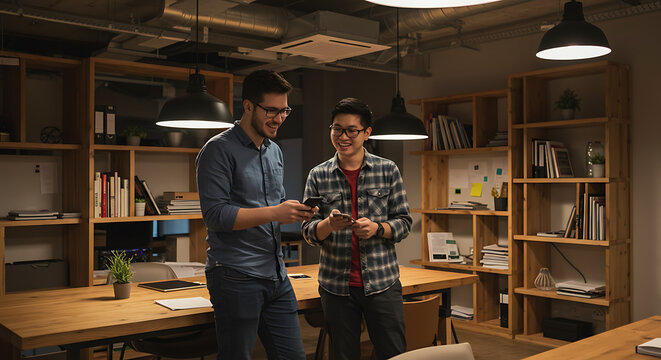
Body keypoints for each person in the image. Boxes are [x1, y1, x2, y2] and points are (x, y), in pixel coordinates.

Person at [196, 70, 313, 360]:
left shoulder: (274, 151)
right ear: (248, 106)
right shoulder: (218, 150)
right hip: (235, 275)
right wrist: (276, 212)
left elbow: (273, 202)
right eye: (271, 111)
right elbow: (216, 216)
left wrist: (295, 210)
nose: (279, 118)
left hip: (276, 274)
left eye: (284, 110)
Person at [301, 97, 413, 360]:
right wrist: (328, 224)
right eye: (337, 129)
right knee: (342, 355)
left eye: (352, 130)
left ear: (366, 133)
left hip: (382, 283)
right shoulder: (318, 175)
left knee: (393, 354)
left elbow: (404, 222)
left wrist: (378, 228)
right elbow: (307, 231)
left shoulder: (387, 170)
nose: (343, 136)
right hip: (336, 286)